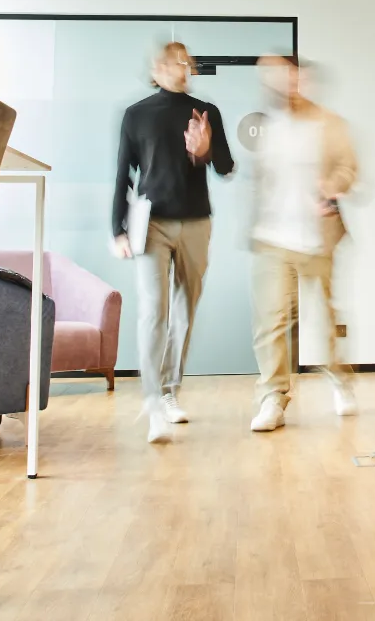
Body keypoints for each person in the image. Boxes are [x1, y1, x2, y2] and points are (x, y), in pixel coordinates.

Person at [112, 42, 234, 443]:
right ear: (158, 67)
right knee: (153, 311)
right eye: (175, 61)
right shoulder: (136, 115)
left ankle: (169, 392)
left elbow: (226, 167)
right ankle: (152, 403)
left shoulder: (205, 112)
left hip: (197, 222)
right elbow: (123, 175)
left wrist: (205, 150)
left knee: (184, 311)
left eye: (188, 62)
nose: (183, 67)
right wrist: (118, 228)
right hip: (151, 223)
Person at [247, 56, 359, 432]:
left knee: (323, 316)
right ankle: (273, 398)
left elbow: (348, 167)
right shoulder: (269, 126)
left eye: (293, 77)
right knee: (272, 320)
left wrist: (332, 188)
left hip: (317, 237)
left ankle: (339, 377)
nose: (288, 84)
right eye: (279, 78)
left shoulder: (330, 124)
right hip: (273, 238)